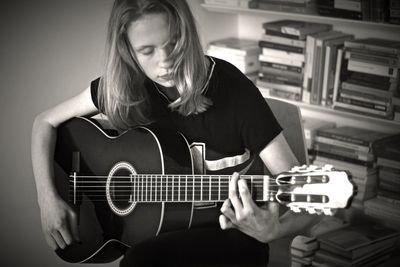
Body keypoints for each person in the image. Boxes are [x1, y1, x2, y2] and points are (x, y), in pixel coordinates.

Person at [31, 0, 321, 266]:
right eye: (147, 51)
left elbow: (308, 192)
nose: (166, 60)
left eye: (174, 43)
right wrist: (48, 200)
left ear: (187, 35)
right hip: (158, 234)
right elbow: (44, 122)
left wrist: (276, 229)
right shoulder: (124, 88)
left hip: (230, 234)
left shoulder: (233, 91)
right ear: (127, 51)